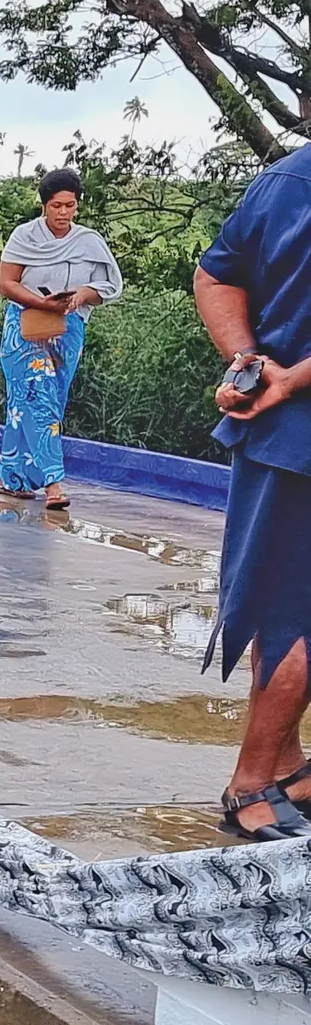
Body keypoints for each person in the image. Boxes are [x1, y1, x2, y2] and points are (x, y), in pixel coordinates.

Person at [193, 144, 311, 843]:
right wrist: (285, 377)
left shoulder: (285, 175)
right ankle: (250, 784)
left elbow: (214, 276)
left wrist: (247, 360)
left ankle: (290, 764)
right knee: (296, 616)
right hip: (294, 429)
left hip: (273, 430)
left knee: (279, 604)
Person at [0, 169, 123, 509]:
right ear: (44, 206)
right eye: (57, 206)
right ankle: (54, 483)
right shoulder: (25, 236)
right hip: (26, 325)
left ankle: (15, 477)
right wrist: (40, 302)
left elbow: (108, 286)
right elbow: (7, 283)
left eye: (70, 206)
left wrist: (84, 294)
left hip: (68, 329)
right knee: (37, 397)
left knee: (37, 404)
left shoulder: (89, 242)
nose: (64, 213)